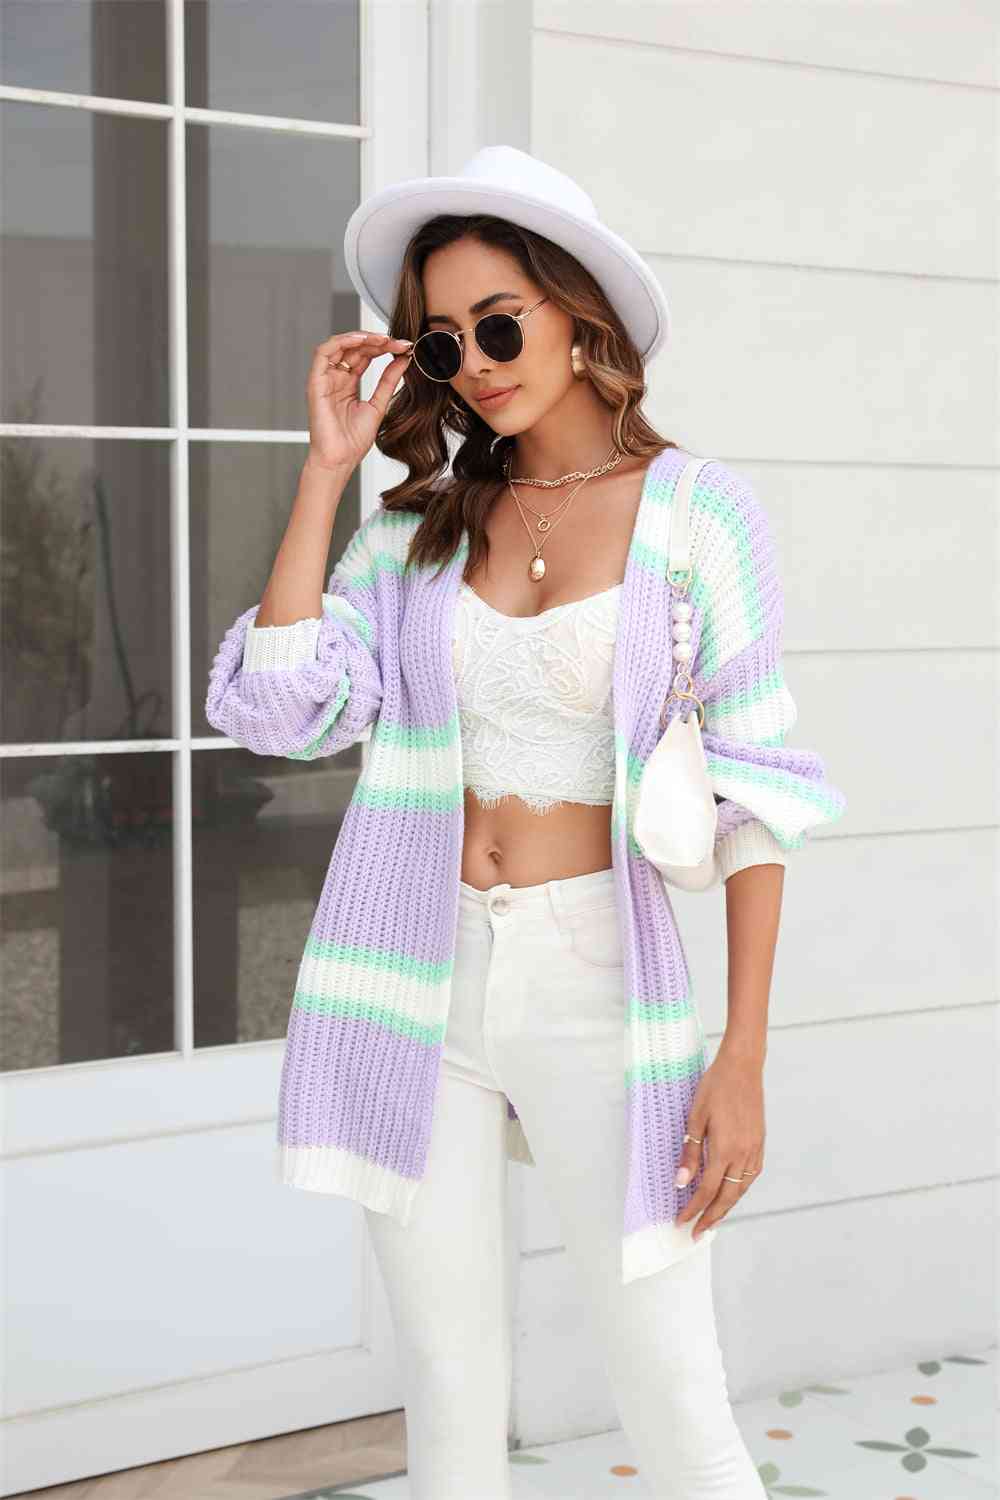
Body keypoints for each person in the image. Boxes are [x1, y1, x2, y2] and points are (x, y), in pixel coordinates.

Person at [205, 146, 846, 1499]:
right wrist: (325, 473)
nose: (479, 363)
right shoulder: (420, 531)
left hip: (599, 978)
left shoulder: (701, 518)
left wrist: (742, 1057)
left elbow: (757, 799)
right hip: (418, 970)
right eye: (445, 342)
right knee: (448, 1397)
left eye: (501, 323)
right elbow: (280, 707)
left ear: (577, 313)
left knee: (674, 1401)